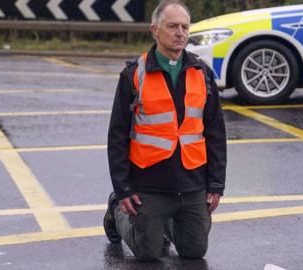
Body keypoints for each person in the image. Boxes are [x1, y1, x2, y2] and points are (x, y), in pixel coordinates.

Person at [103, 0, 226, 261]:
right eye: (172, 26)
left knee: (194, 251)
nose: (180, 32)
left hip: (192, 184)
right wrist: (123, 189)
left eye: (184, 27)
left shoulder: (202, 73)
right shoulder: (134, 74)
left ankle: (166, 225)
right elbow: (117, 135)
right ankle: (116, 211)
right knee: (148, 253)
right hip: (149, 184)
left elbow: (215, 133)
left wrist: (215, 183)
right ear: (154, 29)